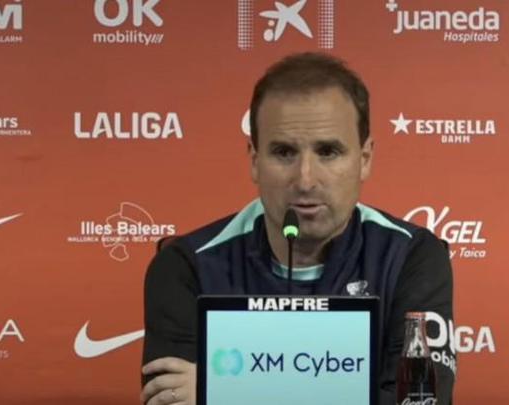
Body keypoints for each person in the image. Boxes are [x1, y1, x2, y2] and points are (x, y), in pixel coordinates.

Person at [140, 52, 455, 405]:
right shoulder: (185, 266)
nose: (305, 180)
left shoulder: (412, 257)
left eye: (328, 152)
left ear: (364, 159)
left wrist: (227, 390)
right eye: (284, 152)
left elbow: (420, 401)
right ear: (255, 160)